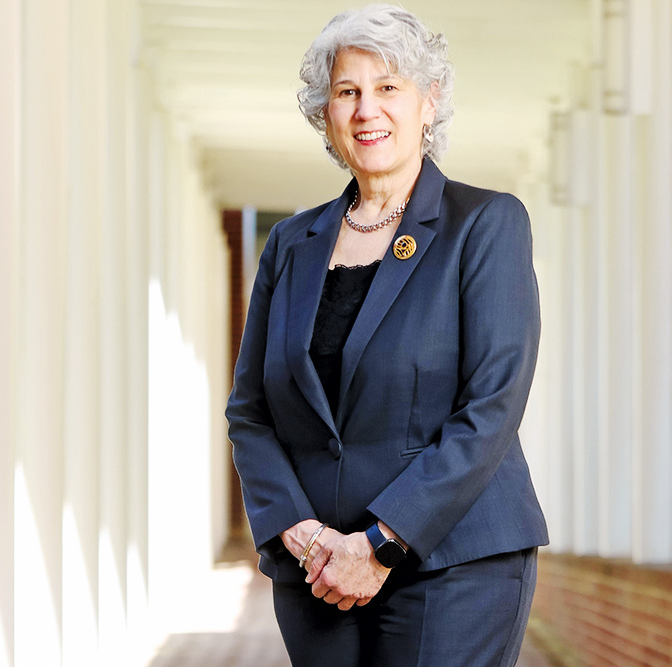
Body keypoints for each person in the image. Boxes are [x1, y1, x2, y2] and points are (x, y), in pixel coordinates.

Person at [225, 4, 548, 666]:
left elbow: (490, 409)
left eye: (388, 88)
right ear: (327, 115)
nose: (367, 109)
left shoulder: (484, 225)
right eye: (347, 91)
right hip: (319, 575)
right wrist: (303, 534)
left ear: (429, 104)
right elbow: (250, 411)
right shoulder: (290, 243)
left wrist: (381, 541)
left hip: (454, 565)